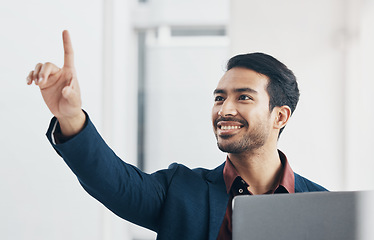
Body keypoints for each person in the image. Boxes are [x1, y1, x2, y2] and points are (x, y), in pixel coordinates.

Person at [27, 30, 327, 240]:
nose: (224, 110)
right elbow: (114, 182)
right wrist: (70, 117)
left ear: (280, 116)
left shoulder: (324, 207)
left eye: (244, 98)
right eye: (220, 98)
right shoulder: (181, 191)